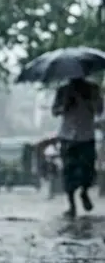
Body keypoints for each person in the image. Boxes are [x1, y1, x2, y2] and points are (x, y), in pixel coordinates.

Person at [52, 76, 103, 217]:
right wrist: (64, 106)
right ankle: (71, 205)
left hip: (86, 136)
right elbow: (54, 111)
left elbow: (100, 110)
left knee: (88, 169)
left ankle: (84, 192)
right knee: (68, 170)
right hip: (67, 136)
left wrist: (89, 102)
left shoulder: (93, 89)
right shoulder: (63, 90)